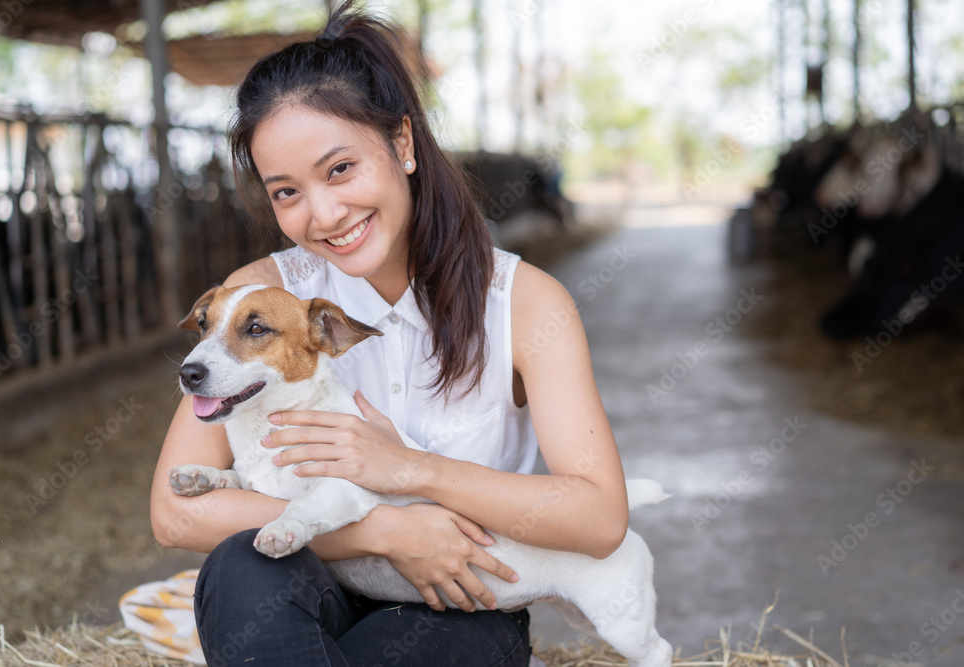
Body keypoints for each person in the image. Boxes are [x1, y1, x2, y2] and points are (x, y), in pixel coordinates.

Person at [149, 2, 630, 665]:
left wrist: (411, 469)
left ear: (402, 143)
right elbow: (175, 510)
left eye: (340, 169)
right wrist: (385, 529)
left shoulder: (524, 302)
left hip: (455, 597)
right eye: (286, 192)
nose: (323, 213)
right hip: (313, 578)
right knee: (241, 568)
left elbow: (599, 517)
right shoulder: (265, 294)